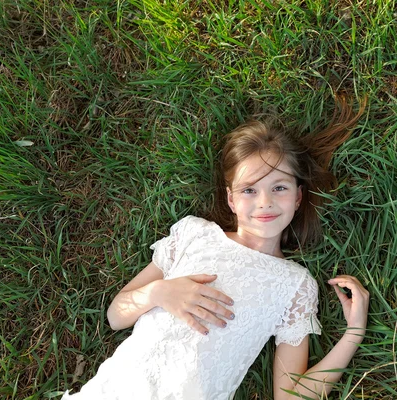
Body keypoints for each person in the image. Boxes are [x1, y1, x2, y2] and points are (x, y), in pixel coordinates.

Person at [62, 95, 369, 400]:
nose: (265, 202)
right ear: (231, 199)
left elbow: (289, 396)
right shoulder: (194, 235)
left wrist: (353, 334)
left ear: (298, 196)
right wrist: (158, 292)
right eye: (249, 190)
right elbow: (116, 315)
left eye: (279, 187)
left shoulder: (295, 285)